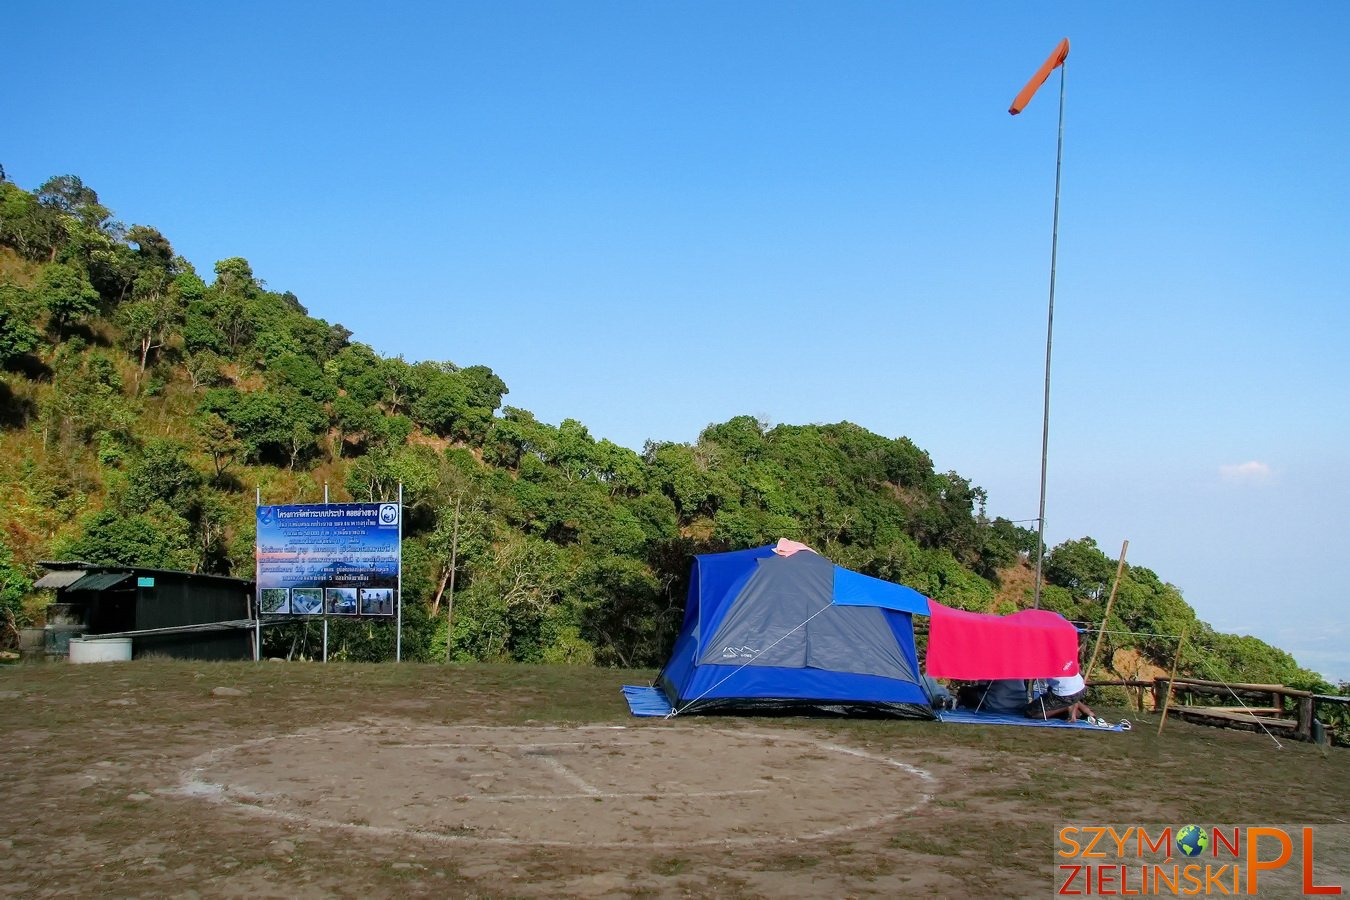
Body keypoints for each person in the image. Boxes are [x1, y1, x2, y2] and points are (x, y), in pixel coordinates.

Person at [1025, 672, 1100, 723]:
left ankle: (1067, 706)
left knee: (1030, 712)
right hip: (1080, 687)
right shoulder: (1062, 654)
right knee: (1053, 692)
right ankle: (1086, 711)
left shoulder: (1042, 659)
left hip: (1065, 693)